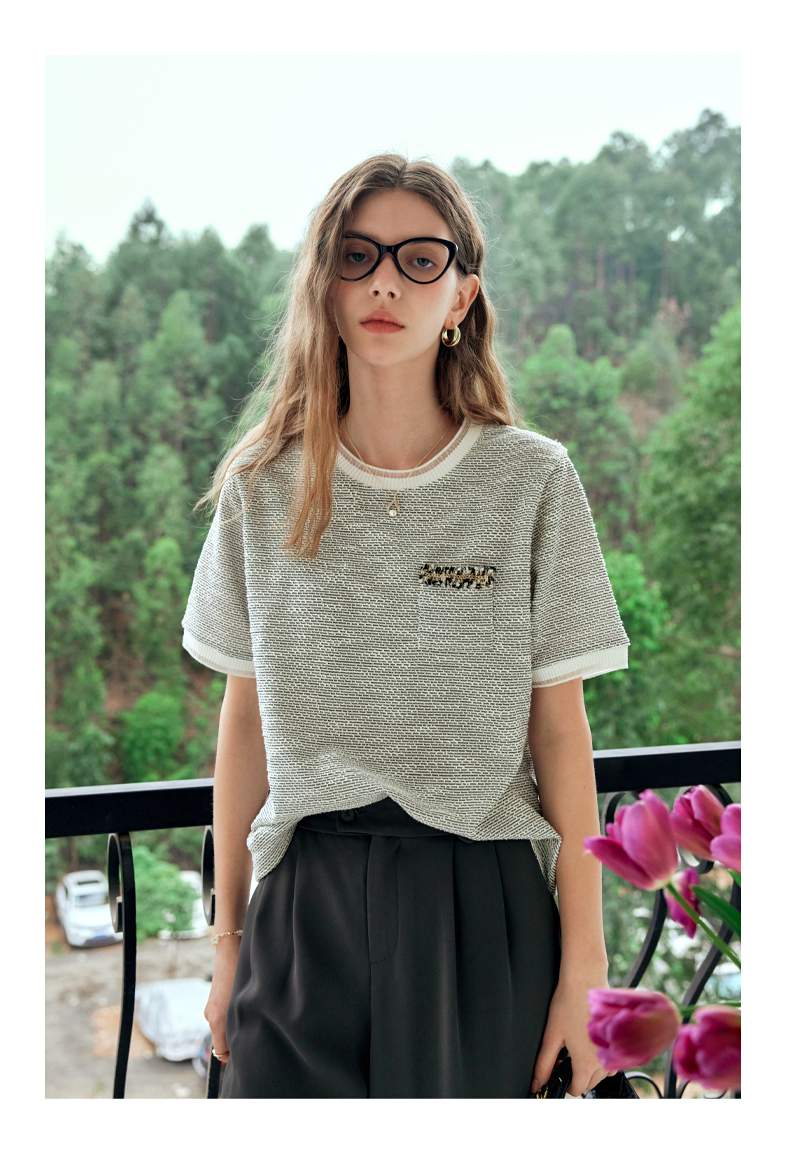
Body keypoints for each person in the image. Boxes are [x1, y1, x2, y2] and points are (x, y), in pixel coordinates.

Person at [182, 153, 630, 1099]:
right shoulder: (260, 488)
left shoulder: (532, 481)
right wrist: (227, 947)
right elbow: (243, 724)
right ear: (326, 284)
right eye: (358, 255)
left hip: (484, 906)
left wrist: (584, 967)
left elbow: (562, 733)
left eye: (420, 259)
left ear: (461, 295)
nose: (385, 282)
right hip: (302, 910)